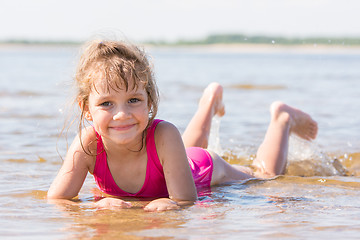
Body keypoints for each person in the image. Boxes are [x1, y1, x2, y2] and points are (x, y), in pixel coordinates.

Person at [47, 40, 318, 211]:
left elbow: (186, 199)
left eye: (133, 100)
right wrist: (98, 205)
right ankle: (209, 102)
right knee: (183, 149)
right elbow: (56, 200)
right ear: (86, 110)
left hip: (202, 168)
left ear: (150, 101)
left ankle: (282, 119)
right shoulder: (87, 144)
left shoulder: (165, 134)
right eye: (106, 103)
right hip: (175, 160)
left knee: (265, 175)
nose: (121, 115)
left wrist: (172, 203)